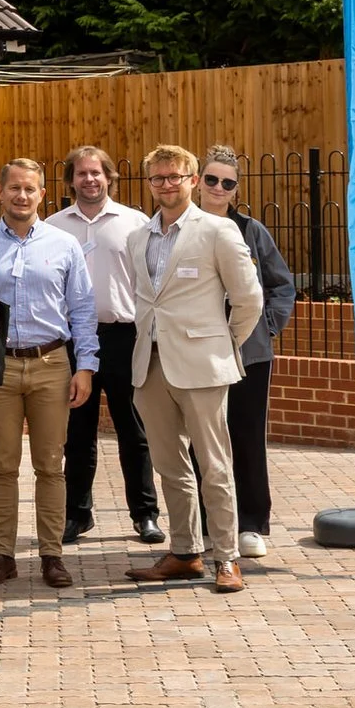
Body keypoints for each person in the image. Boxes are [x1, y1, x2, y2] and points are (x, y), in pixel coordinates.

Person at [123, 145, 263, 594]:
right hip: (151, 365)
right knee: (169, 465)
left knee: (215, 465)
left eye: (175, 176)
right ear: (149, 184)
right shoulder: (137, 238)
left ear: (192, 179)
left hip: (203, 365)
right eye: (157, 178)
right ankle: (184, 552)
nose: (166, 184)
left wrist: (224, 344)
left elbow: (249, 300)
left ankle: (226, 557)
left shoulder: (218, 231)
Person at [0, 160, 98, 592]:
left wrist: (86, 367)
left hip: (51, 365)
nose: (22, 196)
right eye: (14, 189)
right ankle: (2, 554)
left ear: (42, 194)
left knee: (50, 465)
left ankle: (51, 555)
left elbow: (81, 310)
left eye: (30, 189)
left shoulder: (64, 245)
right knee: (2, 466)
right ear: (0, 192)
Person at [49, 146, 163, 546]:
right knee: (77, 433)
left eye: (96, 173)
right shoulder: (54, 226)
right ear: (70, 181)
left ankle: (145, 514)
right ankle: (77, 515)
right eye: (81, 174)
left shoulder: (136, 223)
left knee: (135, 430)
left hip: (124, 336)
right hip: (73, 339)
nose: (89, 180)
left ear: (109, 177)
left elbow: (152, 282)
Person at [197, 145, 297, 559]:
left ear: (236, 189)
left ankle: (252, 524)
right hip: (196, 352)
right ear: (197, 181)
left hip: (248, 355)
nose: (219, 188)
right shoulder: (181, 227)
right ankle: (205, 525)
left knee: (247, 437)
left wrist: (267, 327)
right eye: (211, 179)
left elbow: (282, 285)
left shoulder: (251, 231)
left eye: (228, 183)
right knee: (200, 441)